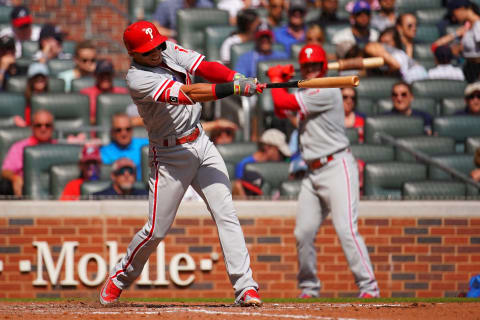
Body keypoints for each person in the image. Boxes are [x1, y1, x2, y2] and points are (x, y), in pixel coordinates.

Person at [99, 21, 263, 307]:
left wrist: (235, 76)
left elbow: (205, 67)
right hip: (170, 155)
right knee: (156, 231)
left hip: (201, 142)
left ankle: (246, 287)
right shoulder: (137, 78)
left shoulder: (167, 49)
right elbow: (190, 94)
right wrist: (233, 88)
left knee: (226, 213)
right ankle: (121, 275)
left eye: (157, 45)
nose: (156, 51)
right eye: (148, 49)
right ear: (134, 53)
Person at [267, 44, 379, 299]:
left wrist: (276, 79)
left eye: (316, 66)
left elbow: (283, 99)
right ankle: (309, 288)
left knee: (346, 230)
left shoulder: (327, 88)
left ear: (324, 67)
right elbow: (280, 109)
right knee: (303, 232)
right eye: (307, 66)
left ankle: (369, 288)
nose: (312, 70)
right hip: (313, 172)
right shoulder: (310, 88)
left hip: (337, 166)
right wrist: (284, 80)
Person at [1, 110, 55, 197]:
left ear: (53, 128)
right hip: (25, 191)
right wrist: (14, 178)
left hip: (52, 193)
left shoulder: (58, 147)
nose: (43, 128)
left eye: (47, 125)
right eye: (38, 125)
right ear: (32, 127)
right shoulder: (19, 147)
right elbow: (5, 171)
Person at [431, 0, 480, 83]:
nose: (453, 18)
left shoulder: (478, 25)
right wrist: (456, 34)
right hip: (470, 71)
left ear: (461, 9)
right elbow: (435, 46)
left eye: (453, 13)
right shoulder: (467, 27)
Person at [100, 113, 148, 181]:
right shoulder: (104, 152)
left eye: (128, 129)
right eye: (118, 130)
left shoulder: (146, 145)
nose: (124, 133)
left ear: (132, 130)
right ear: (112, 132)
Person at [80, 59, 128, 124]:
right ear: (95, 75)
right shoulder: (85, 94)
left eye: (108, 74)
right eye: (102, 74)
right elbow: (82, 120)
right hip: (95, 131)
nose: (105, 77)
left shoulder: (123, 93)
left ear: (113, 75)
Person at [12, 63, 50, 127]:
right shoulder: (23, 100)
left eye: (42, 77)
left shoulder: (50, 100)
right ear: (31, 81)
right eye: (36, 77)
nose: (39, 79)